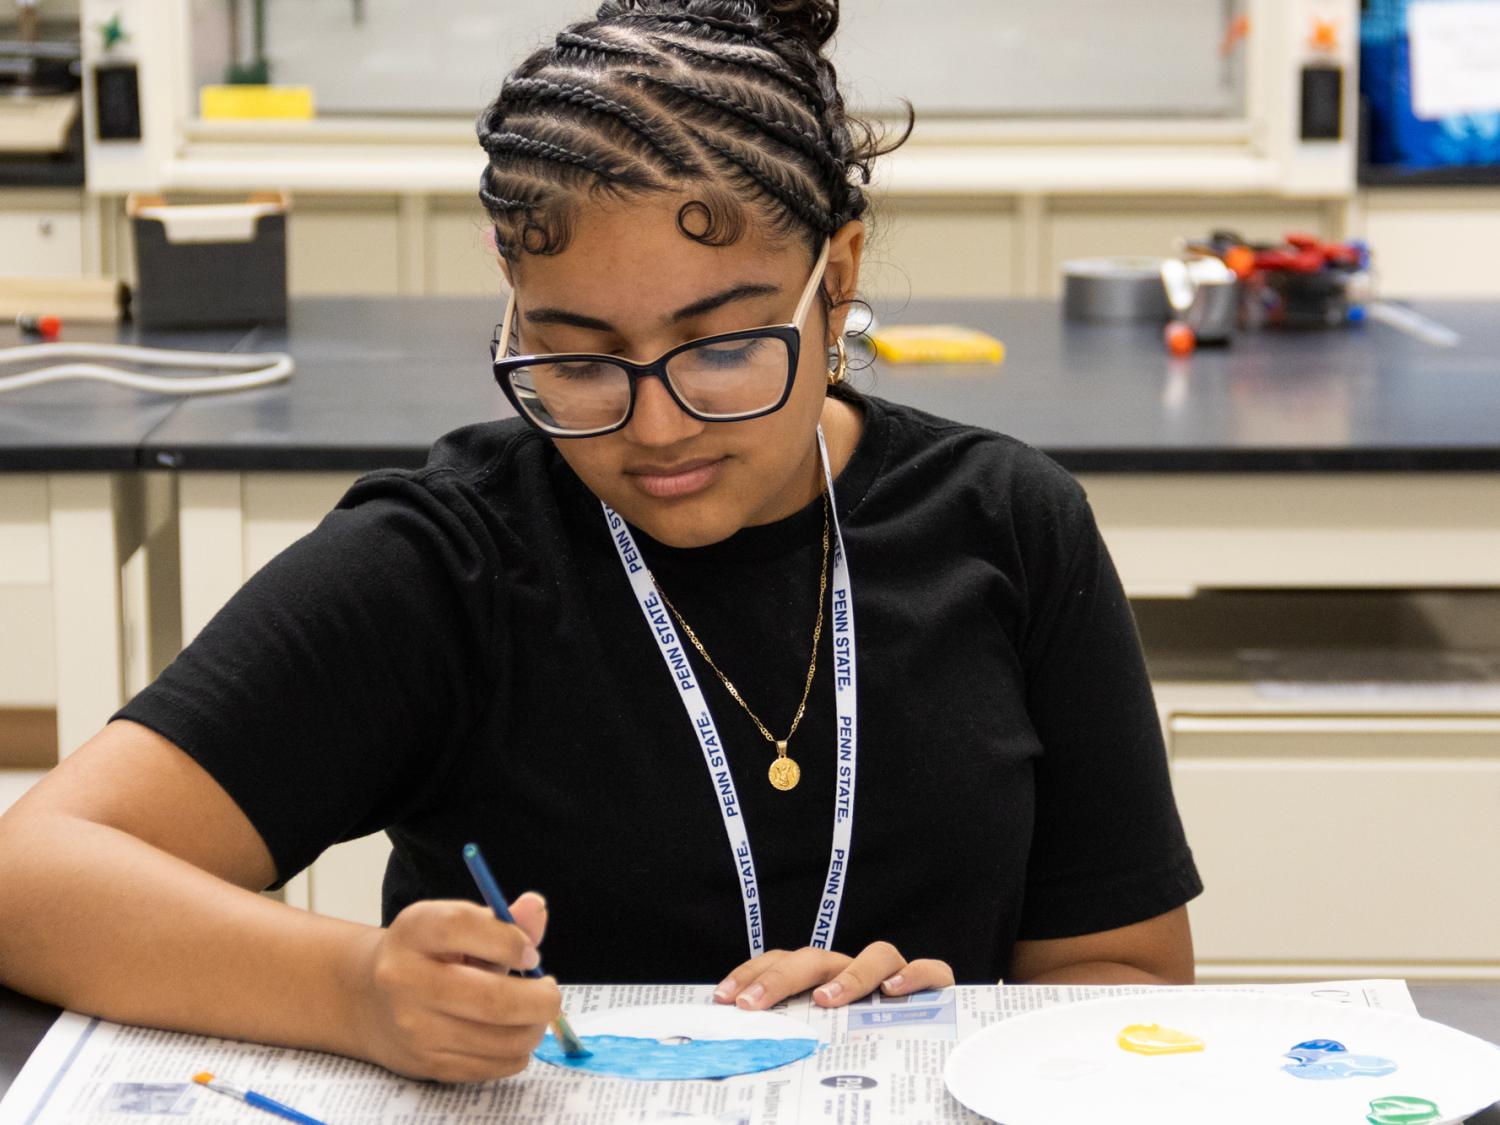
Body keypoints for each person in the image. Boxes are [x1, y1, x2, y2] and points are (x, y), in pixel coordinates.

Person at [0, 0, 1200, 1085]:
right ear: (512, 306)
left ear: (833, 283)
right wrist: (357, 992)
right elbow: (31, 877)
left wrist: (966, 1031)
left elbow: (1131, 975)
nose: (657, 426)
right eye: (574, 360)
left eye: (724, 348)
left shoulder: (1009, 527)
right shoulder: (449, 563)